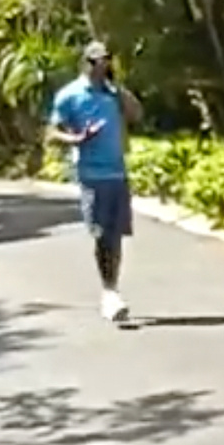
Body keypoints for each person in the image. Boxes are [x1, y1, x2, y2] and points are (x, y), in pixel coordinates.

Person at [48, 40, 143, 322]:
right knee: (102, 234)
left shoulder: (113, 94)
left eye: (106, 61)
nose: (102, 66)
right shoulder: (70, 96)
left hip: (118, 171)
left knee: (115, 235)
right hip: (91, 174)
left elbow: (137, 114)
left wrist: (118, 90)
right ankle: (109, 292)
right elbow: (51, 133)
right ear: (86, 63)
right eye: (97, 62)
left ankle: (111, 289)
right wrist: (76, 139)